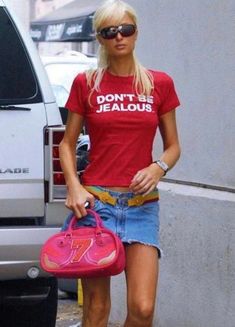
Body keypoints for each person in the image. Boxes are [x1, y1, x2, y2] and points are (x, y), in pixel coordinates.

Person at [59, 0, 181, 326]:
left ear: (136, 32)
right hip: (97, 207)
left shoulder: (159, 84)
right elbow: (67, 144)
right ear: (100, 38)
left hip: (142, 207)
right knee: (97, 310)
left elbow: (173, 147)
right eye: (109, 31)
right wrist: (73, 186)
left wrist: (159, 167)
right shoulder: (87, 83)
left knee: (142, 309)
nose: (119, 37)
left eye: (125, 29)